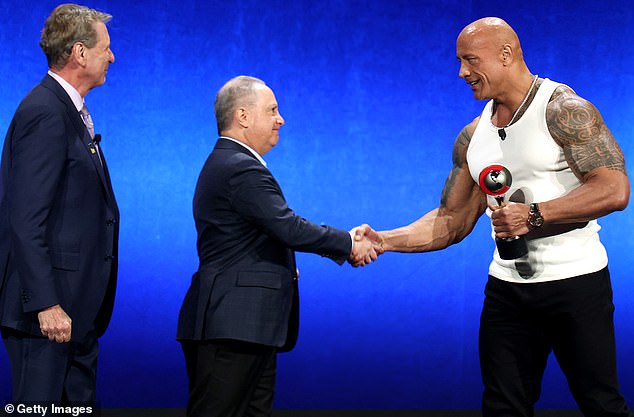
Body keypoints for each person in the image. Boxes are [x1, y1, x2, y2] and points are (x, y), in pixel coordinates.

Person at [357, 17, 632, 417]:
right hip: (508, 292)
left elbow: (614, 189)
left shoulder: (564, 110)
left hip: (576, 284)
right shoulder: (473, 135)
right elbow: (451, 220)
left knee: (601, 404)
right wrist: (384, 240)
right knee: (503, 406)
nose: (462, 72)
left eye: (470, 60)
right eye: (459, 61)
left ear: (506, 54)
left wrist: (533, 216)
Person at [176, 75, 380, 417]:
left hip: (247, 326)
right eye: (272, 110)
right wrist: (347, 242)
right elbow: (288, 227)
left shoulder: (232, 164)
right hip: (232, 325)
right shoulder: (239, 168)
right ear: (242, 116)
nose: (280, 119)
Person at [0, 3, 118, 404]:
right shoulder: (46, 112)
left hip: (75, 311)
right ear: (80, 53)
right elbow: (25, 217)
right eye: (105, 48)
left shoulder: (68, 111)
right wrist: (46, 302)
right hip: (47, 315)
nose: (112, 56)